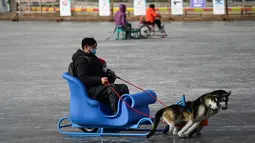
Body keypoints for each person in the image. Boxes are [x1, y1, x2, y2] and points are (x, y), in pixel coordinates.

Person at [71, 37, 129, 114]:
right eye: (93, 47)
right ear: (86, 47)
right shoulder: (81, 60)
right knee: (113, 89)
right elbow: (83, 77)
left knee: (123, 87)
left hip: (98, 87)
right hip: (91, 90)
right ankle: (116, 114)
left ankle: (126, 111)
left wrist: (109, 74)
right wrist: (100, 80)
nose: (95, 49)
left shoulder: (90, 57)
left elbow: (96, 71)